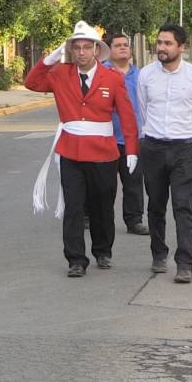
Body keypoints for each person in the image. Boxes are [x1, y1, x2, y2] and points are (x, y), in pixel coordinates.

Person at [26, 21, 139, 278]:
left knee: (102, 205)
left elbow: (127, 115)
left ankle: (102, 250)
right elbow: (32, 83)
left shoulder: (113, 78)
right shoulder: (60, 74)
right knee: (74, 207)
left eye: (87, 47)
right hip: (71, 152)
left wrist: (131, 150)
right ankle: (76, 259)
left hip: (103, 153)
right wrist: (49, 59)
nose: (81, 53)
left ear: (97, 51)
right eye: (76, 48)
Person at [137, 25, 192, 284]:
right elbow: (143, 110)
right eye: (159, 42)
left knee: (183, 207)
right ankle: (159, 255)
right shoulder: (146, 75)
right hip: (154, 148)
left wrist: (189, 139)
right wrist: (153, 136)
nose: (161, 48)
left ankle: (184, 263)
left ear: (181, 47)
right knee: (156, 205)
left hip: (183, 150)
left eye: (168, 43)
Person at [103, 34, 149, 236]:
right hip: (105, 139)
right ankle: (94, 216)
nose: (123, 48)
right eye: (118, 45)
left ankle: (134, 221)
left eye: (126, 45)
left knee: (134, 183)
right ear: (109, 49)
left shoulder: (140, 76)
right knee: (103, 184)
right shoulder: (101, 73)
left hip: (132, 139)